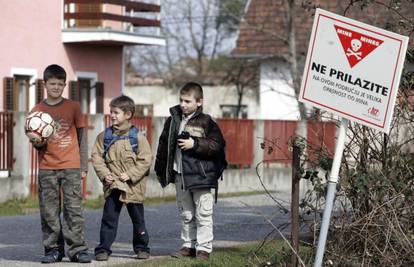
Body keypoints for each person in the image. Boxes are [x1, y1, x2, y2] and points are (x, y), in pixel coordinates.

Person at [154, 82, 227, 260]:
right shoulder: (173, 120)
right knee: (186, 213)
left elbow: (217, 145)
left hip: (201, 176)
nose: (183, 104)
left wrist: (194, 143)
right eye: (181, 100)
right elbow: (163, 145)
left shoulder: (207, 122)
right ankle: (188, 246)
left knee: (203, 213)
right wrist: (160, 169)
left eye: (187, 101)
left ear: (199, 102)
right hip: (180, 175)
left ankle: (203, 249)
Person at [29, 64, 91, 263]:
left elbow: (82, 137)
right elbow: (37, 143)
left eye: (59, 84)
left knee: (74, 210)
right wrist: (37, 142)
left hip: (71, 166)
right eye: (52, 83)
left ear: (64, 85)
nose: (56, 87)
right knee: (49, 210)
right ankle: (53, 249)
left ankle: (77, 249)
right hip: (47, 167)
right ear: (44, 84)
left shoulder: (73, 106)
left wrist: (83, 166)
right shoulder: (37, 110)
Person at [91, 95, 152, 261]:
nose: (112, 115)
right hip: (114, 186)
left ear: (128, 114)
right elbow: (96, 157)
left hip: (133, 186)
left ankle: (142, 248)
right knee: (109, 218)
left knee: (138, 219)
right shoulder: (104, 136)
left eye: (116, 112)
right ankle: (103, 249)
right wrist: (105, 175)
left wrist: (130, 174)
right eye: (111, 112)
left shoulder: (137, 138)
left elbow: (145, 160)